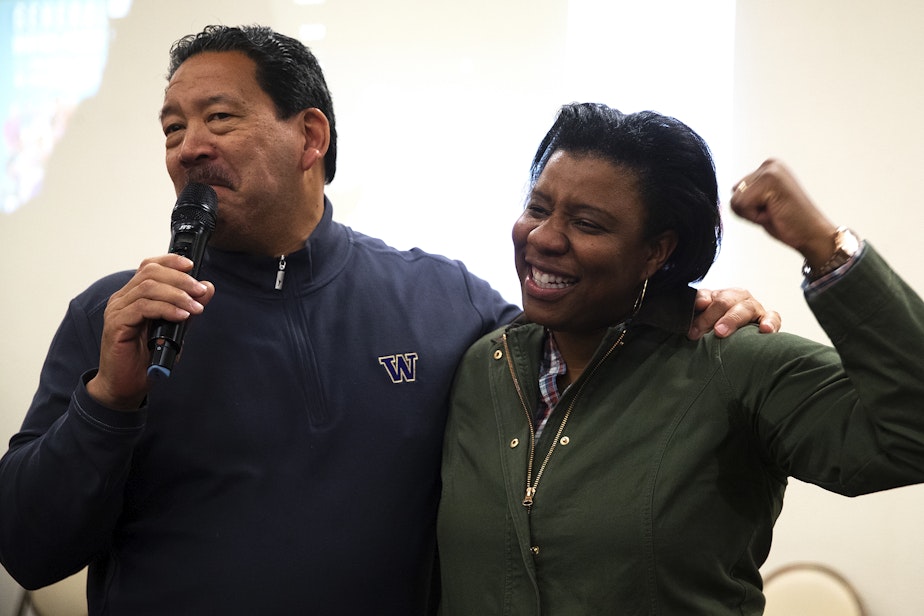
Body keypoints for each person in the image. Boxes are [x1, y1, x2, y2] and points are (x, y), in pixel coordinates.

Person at [0, 27, 777, 615]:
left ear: (311, 136)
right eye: (172, 129)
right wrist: (109, 399)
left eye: (219, 118)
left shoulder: (444, 302)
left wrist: (689, 303)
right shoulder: (119, 316)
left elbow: (584, 344)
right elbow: (30, 552)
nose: (189, 147)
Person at [436, 103, 924, 615]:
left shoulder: (734, 363)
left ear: (656, 251)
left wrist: (824, 245)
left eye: (586, 223)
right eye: (538, 208)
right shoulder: (481, 368)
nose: (543, 237)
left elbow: (912, 434)